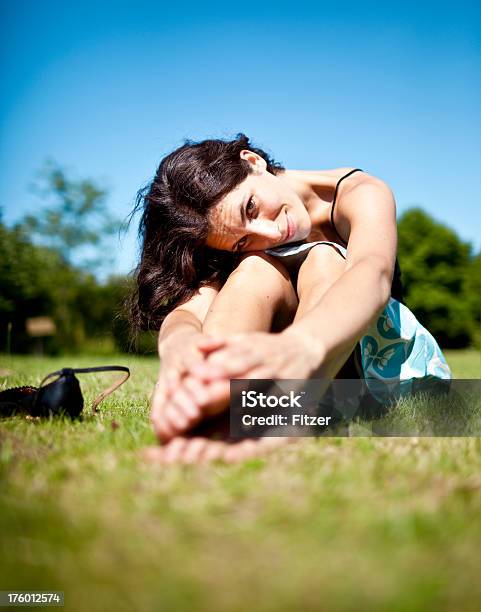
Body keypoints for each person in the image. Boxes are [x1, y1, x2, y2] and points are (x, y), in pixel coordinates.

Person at [129, 133, 451, 464]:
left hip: (371, 362)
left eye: (250, 208)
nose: (268, 234)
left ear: (253, 162)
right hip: (293, 368)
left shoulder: (360, 192)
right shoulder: (239, 239)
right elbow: (192, 310)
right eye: (241, 240)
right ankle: (211, 401)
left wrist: (303, 343)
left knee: (323, 256)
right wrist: (179, 345)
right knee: (255, 266)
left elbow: (373, 273)